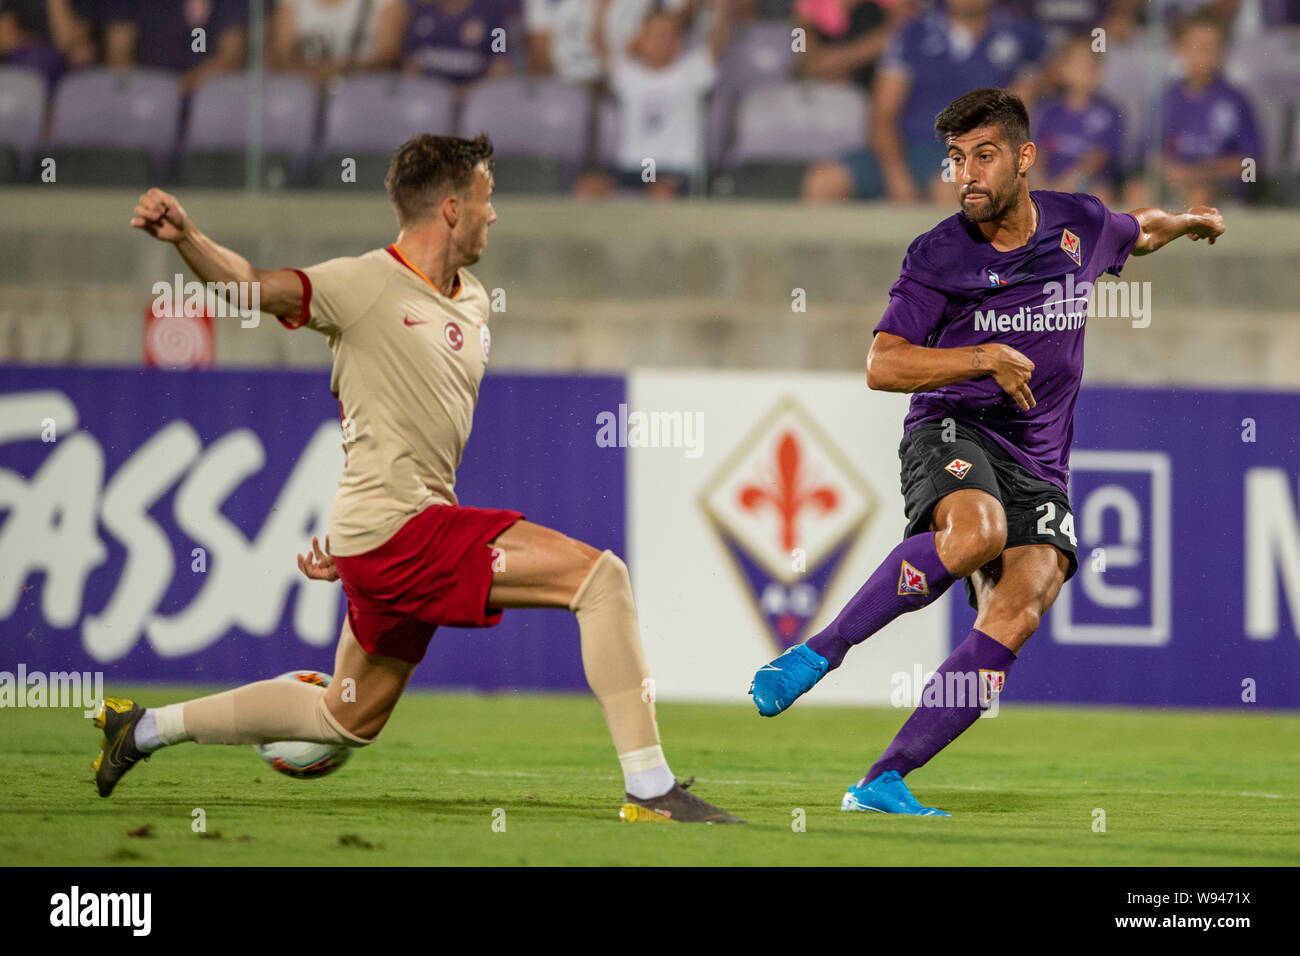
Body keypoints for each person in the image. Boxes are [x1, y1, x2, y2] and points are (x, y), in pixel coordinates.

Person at [94, 133, 742, 826]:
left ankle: (140, 727)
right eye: (488, 201)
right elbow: (249, 287)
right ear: (453, 210)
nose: (495, 216)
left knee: (344, 717)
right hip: (400, 532)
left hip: (388, 534)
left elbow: (387, 421)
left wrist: (353, 543)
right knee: (600, 579)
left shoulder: (475, 302)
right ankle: (651, 790)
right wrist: (186, 236)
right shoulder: (362, 283)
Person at [752, 88, 1225, 816]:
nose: (966, 173)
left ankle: (883, 781)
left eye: (983, 156)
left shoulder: (1080, 224)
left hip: (1039, 459)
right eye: (956, 160)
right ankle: (818, 652)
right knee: (977, 533)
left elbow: (1141, 230)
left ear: (1024, 158)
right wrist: (980, 358)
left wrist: (1188, 219)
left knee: (1023, 604)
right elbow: (883, 365)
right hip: (952, 427)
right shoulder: (940, 253)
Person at [802, 0, 1046, 204]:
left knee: (949, 188)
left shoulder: (1022, 37)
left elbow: (1023, 109)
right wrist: (897, 176)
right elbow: (882, 117)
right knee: (823, 181)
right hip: (907, 149)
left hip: (972, 155)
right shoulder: (913, 34)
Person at [574, 0, 730, 198]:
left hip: (676, 168)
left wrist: (721, 8)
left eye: (668, 35)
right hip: (636, 167)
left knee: (659, 193)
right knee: (588, 189)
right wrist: (601, 11)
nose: (661, 41)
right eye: (655, 35)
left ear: (678, 41)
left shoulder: (692, 71)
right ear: (642, 40)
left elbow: (718, 42)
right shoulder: (629, 75)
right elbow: (599, 45)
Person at [1157, 10, 1261, 207]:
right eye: (1197, 46)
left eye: (1212, 46)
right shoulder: (1165, 98)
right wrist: (1168, 170)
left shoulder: (1236, 100)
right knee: (1137, 191)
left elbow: (1250, 164)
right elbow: (1149, 154)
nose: (1205, 54)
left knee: (1198, 197)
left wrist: (1198, 173)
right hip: (1173, 183)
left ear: (1223, 50)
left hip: (1219, 186)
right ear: (1179, 49)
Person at [1033, 34, 1124, 206]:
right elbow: (1040, 154)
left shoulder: (1110, 111)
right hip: (1051, 183)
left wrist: (1067, 185)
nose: (1086, 70)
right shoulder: (1049, 110)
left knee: (1100, 196)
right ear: (1062, 69)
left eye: (1092, 64)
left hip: (1088, 185)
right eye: (1078, 64)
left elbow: (1098, 157)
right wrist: (1042, 185)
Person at [268, 0, 405, 85]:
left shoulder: (385, 2)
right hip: (302, 87)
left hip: (361, 87)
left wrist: (339, 71)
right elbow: (280, 53)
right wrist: (308, 73)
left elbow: (388, 55)